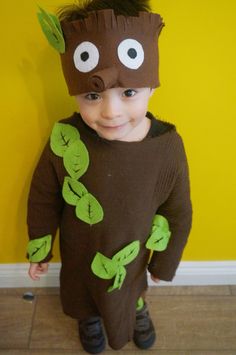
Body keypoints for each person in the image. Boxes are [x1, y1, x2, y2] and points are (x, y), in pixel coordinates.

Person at [27, 0, 192, 353]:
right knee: (82, 295)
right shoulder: (65, 139)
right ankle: (88, 320)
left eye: (129, 92)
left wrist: (166, 262)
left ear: (152, 87)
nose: (110, 112)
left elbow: (178, 210)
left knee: (131, 290)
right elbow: (44, 196)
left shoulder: (167, 147)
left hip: (130, 259)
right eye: (92, 95)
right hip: (80, 253)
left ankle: (137, 312)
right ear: (75, 92)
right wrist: (40, 246)